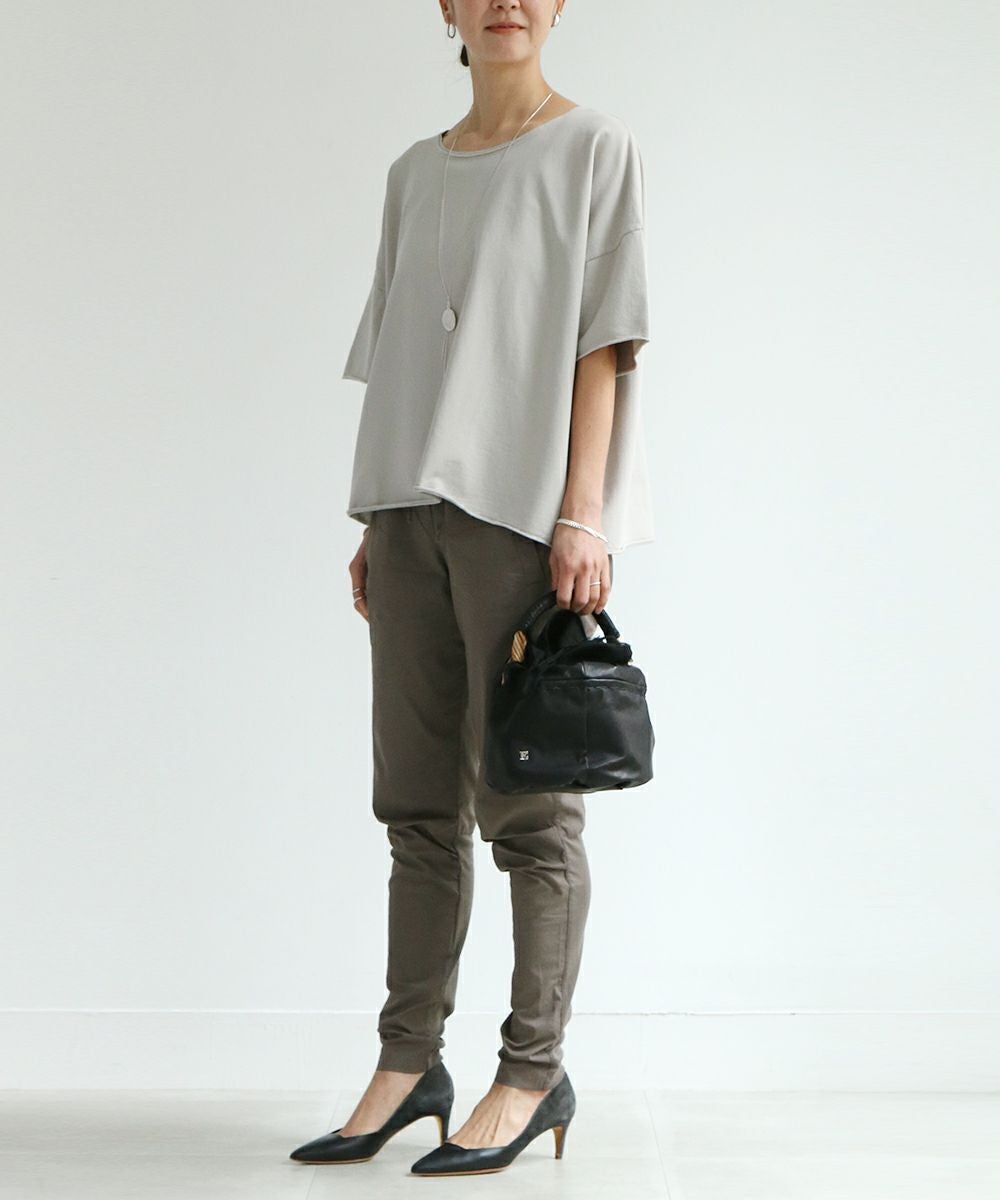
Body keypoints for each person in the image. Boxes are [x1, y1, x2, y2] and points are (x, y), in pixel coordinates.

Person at [290, 0, 653, 1177]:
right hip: (406, 516)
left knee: (530, 816)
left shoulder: (591, 147)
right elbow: (400, 351)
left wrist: (583, 512)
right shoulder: (413, 172)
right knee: (414, 808)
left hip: (517, 521)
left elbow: (605, 342)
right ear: (443, 7)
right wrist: (373, 517)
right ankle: (409, 1065)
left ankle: (532, 1073)